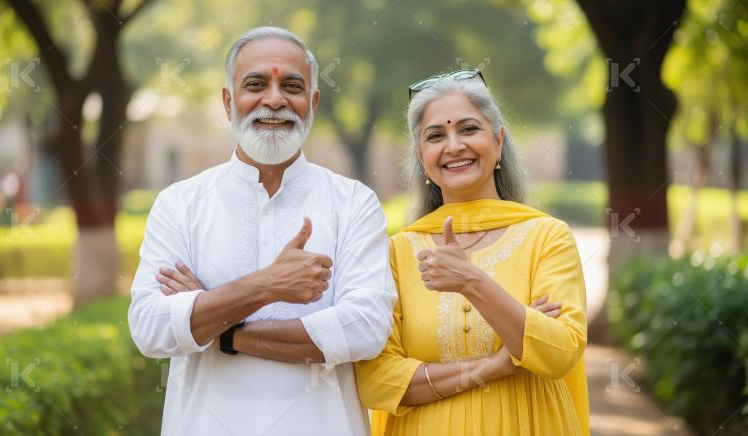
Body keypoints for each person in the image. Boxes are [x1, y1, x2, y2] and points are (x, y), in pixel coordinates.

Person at [128, 26, 396, 436]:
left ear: (313, 102)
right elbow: (151, 328)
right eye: (255, 84)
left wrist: (217, 326)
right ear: (227, 100)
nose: (274, 99)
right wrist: (266, 285)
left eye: (292, 85)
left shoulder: (353, 203)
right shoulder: (180, 203)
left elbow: (363, 330)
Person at [354, 69, 590, 435]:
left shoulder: (547, 237)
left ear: (498, 141)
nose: (453, 146)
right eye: (436, 136)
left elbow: (558, 352)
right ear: (421, 157)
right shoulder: (397, 252)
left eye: (468, 129)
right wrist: (494, 366)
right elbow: (377, 382)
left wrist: (471, 281)